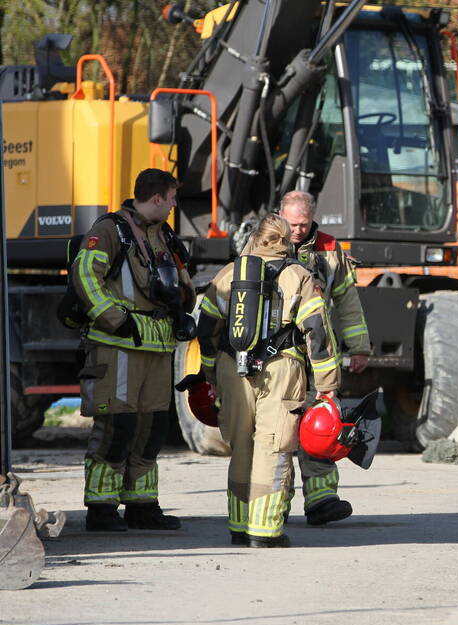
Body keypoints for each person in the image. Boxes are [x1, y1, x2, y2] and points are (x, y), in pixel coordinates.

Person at [195, 214, 340, 548]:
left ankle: (237, 524)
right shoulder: (297, 275)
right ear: (287, 240)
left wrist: (210, 374)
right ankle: (264, 530)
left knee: (241, 446)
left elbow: (206, 329)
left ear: (255, 238)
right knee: (272, 447)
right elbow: (317, 332)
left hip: (233, 369)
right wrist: (327, 384)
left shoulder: (229, 273)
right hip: (281, 368)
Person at [73, 168, 194, 532]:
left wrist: (182, 308)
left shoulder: (165, 235)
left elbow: (178, 282)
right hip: (117, 347)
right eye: (172, 198)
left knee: (152, 428)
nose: (174, 205)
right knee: (117, 427)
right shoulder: (110, 231)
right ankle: (101, 508)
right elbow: (84, 276)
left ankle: (142, 506)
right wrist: (114, 319)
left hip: (156, 346)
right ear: (157, 198)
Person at [277, 190, 370, 525]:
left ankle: (322, 500)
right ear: (280, 216)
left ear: (312, 217)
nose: (298, 231)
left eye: (303, 224)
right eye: (291, 224)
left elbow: (346, 301)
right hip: (280, 355)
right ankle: (277, 503)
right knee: (282, 430)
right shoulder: (267, 244)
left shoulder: (330, 247)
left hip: (319, 353)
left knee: (321, 426)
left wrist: (359, 347)